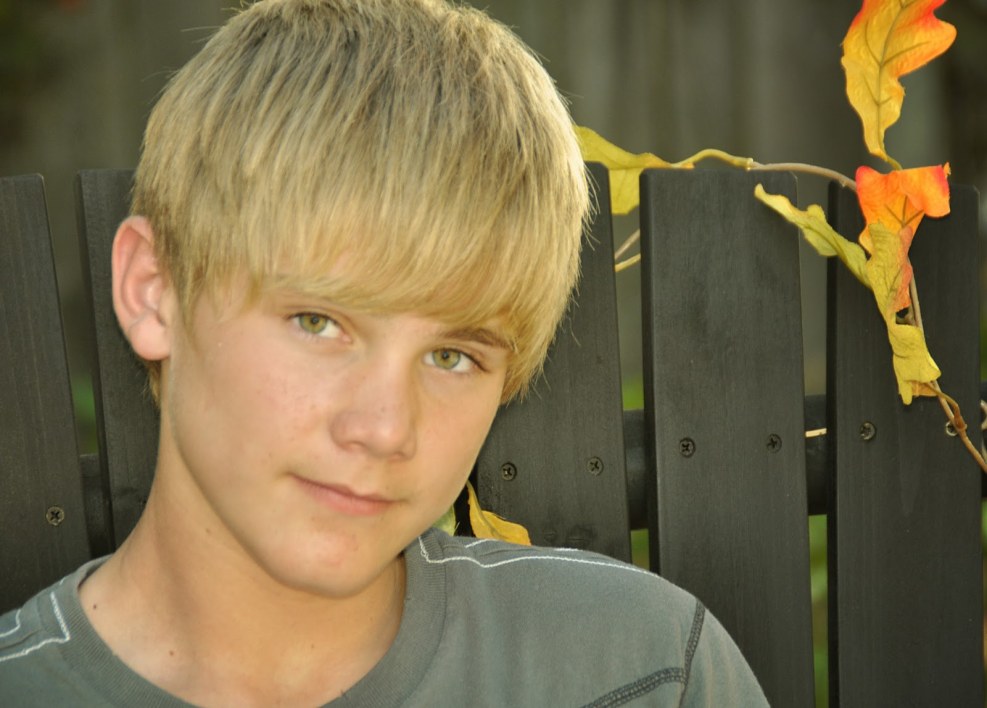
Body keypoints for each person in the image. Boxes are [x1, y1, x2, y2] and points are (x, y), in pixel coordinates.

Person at [0, 0, 767, 704]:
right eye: (317, 321)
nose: (385, 428)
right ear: (152, 289)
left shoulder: (643, 671)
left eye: (452, 356)